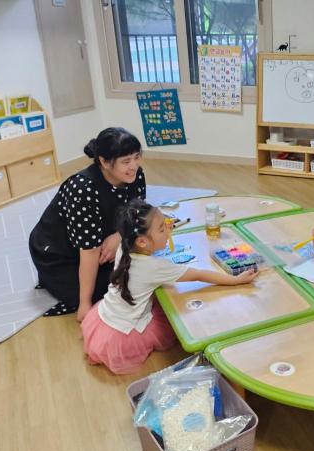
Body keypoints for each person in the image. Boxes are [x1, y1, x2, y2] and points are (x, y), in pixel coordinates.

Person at [81, 199, 258, 374]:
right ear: (142, 241)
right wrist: (236, 280)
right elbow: (198, 274)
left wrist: (160, 227)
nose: (168, 230)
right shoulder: (154, 267)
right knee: (177, 317)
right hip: (125, 331)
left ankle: (100, 353)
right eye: (162, 228)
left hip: (106, 315)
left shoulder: (125, 247)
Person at [29, 127, 147, 320]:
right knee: (119, 284)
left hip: (100, 240)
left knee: (136, 270)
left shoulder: (135, 174)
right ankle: (56, 281)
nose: (134, 165)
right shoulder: (83, 189)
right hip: (59, 253)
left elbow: (138, 211)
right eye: (126, 161)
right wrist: (85, 304)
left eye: (137, 157)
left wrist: (119, 236)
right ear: (104, 162)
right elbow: (89, 250)